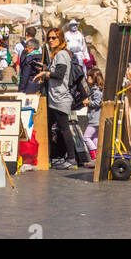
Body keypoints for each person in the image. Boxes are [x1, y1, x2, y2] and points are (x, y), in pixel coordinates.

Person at [39, 27, 78, 169]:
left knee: (63, 128)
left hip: (59, 97)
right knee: (50, 127)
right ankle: (49, 157)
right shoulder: (58, 54)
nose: (50, 40)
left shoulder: (61, 54)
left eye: (53, 38)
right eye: (49, 38)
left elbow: (59, 74)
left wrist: (45, 73)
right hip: (55, 97)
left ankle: (72, 159)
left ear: (60, 39)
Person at [83, 67, 104, 155]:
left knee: (86, 137)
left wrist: (88, 102)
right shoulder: (97, 90)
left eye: (89, 76)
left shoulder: (96, 91)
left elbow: (97, 103)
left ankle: (94, 155)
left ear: (94, 78)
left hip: (94, 119)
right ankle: (97, 158)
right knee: (95, 138)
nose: (88, 78)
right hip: (96, 119)